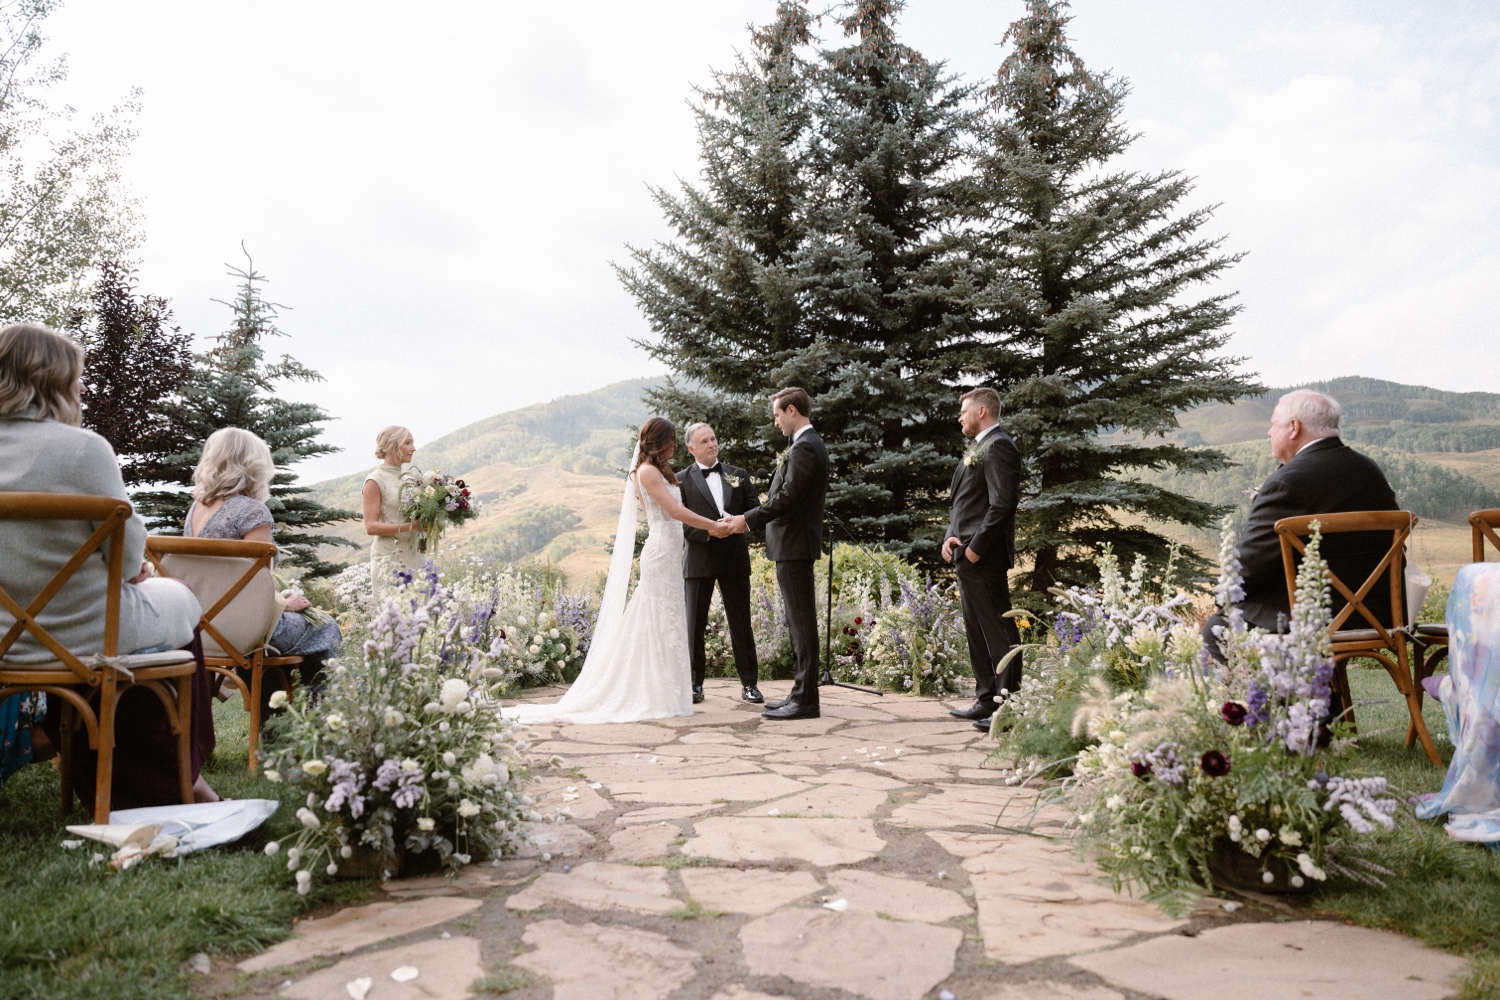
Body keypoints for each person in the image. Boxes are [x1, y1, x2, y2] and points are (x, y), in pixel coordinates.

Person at [0, 322, 215, 806]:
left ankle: (96, 758)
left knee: (137, 614)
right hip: (85, 634)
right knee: (178, 599)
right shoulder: (83, 449)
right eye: (77, 377)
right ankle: (187, 774)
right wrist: (135, 569)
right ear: (50, 379)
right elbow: (129, 555)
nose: (82, 387)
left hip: (5, 637)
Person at [504, 417, 734, 724]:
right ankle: (648, 690)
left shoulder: (660, 469)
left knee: (668, 619)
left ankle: (666, 690)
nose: (675, 445)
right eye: (671, 439)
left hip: (669, 553)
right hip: (659, 553)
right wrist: (713, 527)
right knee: (654, 619)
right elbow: (674, 511)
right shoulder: (647, 472)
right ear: (659, 440)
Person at [1204, 389, 1399, 655]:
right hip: (1379, 614)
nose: (1269, 433)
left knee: (1218, 628)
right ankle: (1326, 697)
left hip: (1313, 617)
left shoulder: (1288, 481)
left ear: (1294, 427)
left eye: (1274, 425)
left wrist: (1222, 598)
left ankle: (1265, 697)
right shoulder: (1369, 470)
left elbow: (1251, 563)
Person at [185, 427, 343, 699]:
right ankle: (323, 721)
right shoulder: (251, 511)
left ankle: (273, 723)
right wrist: (282, 603)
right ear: (253, 464)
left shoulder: (195, 509)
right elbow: (258, 583)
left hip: (201, 627)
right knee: (325, 626)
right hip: (241, 630)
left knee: (284, 632)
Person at [724, 388, 830, 721]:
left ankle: (806, 701)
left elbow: (787, 498)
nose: (775, 421)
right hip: (792, 544)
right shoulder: (802, 445)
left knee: (802, 621)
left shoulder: (805, 447)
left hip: (795, 543)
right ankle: (800, 693)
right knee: (798, 621)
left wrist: (746, 519)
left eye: (777, 414)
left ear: (792, 411)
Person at [941, 387, 1024, 733]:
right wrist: (950, 535)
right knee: (976, 628)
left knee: (999, 629)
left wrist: (976, 547)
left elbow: (1002, 503)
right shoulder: (977, 449)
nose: (960, 417)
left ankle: (1008, 706)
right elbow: (963, 502)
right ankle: (986, 697)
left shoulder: (1000, 446)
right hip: (966, 554)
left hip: (983, 556)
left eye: (964, 411)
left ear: (982, 412)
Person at [679, 421, 762, 704]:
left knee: (740, 623)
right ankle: (693, 685)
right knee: (694, 625)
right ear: (691, 448)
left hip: (734, 558)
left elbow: (754, 509)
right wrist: (708, 530)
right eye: (704, 441)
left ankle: (750, 684)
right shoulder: (680, 480)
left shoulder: (737, 475)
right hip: (699, 558)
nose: (712, 444)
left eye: (713, 439)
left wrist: (740, 524)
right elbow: (678, 521)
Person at [363, 424, 422, 598]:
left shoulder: (411, 479)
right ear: (392, 445)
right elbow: (371, 527)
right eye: (408, 443)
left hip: (415, 555)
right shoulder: (375, 480)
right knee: (393, 619)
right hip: (389, 558)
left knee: (421, 617)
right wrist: (412, 526)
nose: (414, 448)